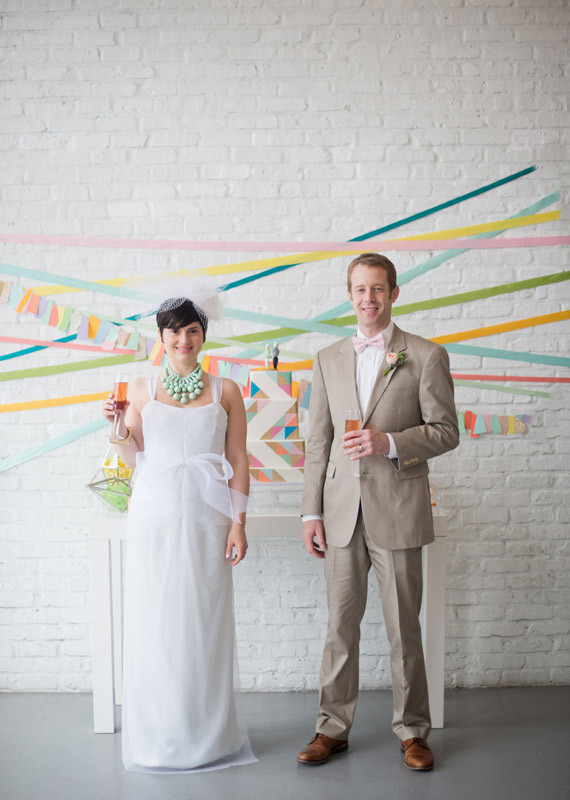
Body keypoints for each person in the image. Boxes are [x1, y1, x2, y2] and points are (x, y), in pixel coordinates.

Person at [298, 253, 459, 771]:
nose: (369, 298)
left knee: (403, 627)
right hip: (341, 513)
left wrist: (389, 442)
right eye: (360, 289)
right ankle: (331, 728)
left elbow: (445, 432)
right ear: (350, 295)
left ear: (394, 293)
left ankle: (413, 732)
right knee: (339, 628)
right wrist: (310, 512)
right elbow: (318, 443)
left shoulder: (425, 355)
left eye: (378, 289)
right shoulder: (327, 358)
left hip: (399, 510)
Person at [102, 296, 256, 773]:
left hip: (209, 518)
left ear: (203, 336)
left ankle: (207, 737)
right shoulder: (141, 389)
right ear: (161, 337)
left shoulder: (227, 390)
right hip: (155, 514)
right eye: (174, 331)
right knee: (156, 622)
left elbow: (238, 459)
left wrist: (239, 522)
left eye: (192, 330)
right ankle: (159, 737)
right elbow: (133, 457)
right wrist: (116, 425)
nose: (183, 340)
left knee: (203, 621)